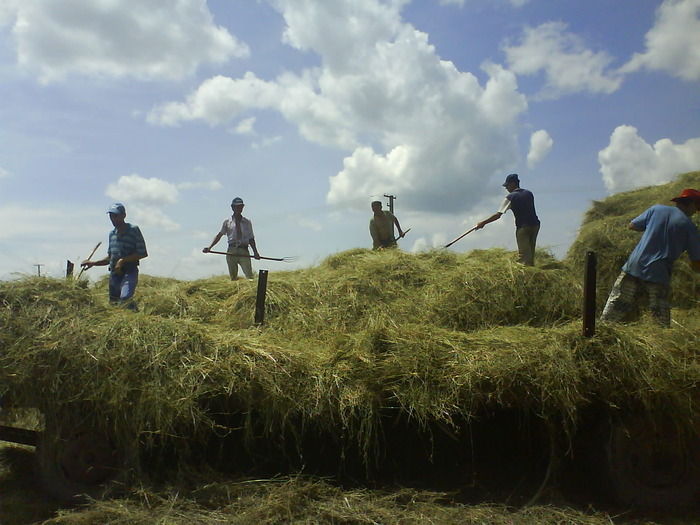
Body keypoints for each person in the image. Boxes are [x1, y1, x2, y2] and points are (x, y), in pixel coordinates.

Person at [600, 188, 700, 327]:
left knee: (617, 302)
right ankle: (659, 340)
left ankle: (602, 329)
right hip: (658, 273)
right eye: (697, 207)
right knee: (659, 314)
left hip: (634, 265)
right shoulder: (690, 227)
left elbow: (632, 225)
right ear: (691, 203)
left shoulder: (656, 209)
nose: (696, 211)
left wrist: (653, 229)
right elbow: (696, 260)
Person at [81, 203, 148, 311]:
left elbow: (142, 253)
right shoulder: (112, 234)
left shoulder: (133, 230)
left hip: (129, 271)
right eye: (111, 216)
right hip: (115, 274)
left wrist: (122, 260)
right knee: (114, 303)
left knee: (125, 297)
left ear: (124, 216)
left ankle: (136, 316)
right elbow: (110, 258)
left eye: (116, 216)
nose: (113, 219)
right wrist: (93, 263)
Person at [475, 173, 540, 266]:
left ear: (513, 184)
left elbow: (498, 214)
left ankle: (525, 272)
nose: (506, 188)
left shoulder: (510, 197)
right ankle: (531, 268)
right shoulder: (529, 193)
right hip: (535, 224)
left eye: (507, 185)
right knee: (530, 252)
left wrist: (483, 223)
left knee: (523, 256)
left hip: (523, 227)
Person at [203, 197, 260, 280]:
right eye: (236, 207)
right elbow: (219, 235)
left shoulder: (247, 222)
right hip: (232, 250)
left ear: (243, 207)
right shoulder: (227, 221)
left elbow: (251, 238)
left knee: (249, 276)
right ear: (232, 207)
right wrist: (209, 247)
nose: (239, 209)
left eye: (240, 206)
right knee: (233, 277)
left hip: (244, 250)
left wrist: (255, 252)